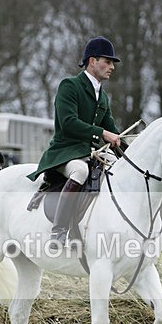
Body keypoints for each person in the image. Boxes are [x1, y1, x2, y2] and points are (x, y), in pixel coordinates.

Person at [27, 36, 122, 249]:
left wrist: (131, 151)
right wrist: (102, 134)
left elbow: (113, 131)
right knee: (80, 171)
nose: (112, 67)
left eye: (112, 63)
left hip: (91, 153)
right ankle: (59, 232)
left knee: (118, 169)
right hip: (66, 152)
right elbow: (69, 123)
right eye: (107, 61)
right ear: (92, 61)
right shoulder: (70, 86)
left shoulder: (103, 96)